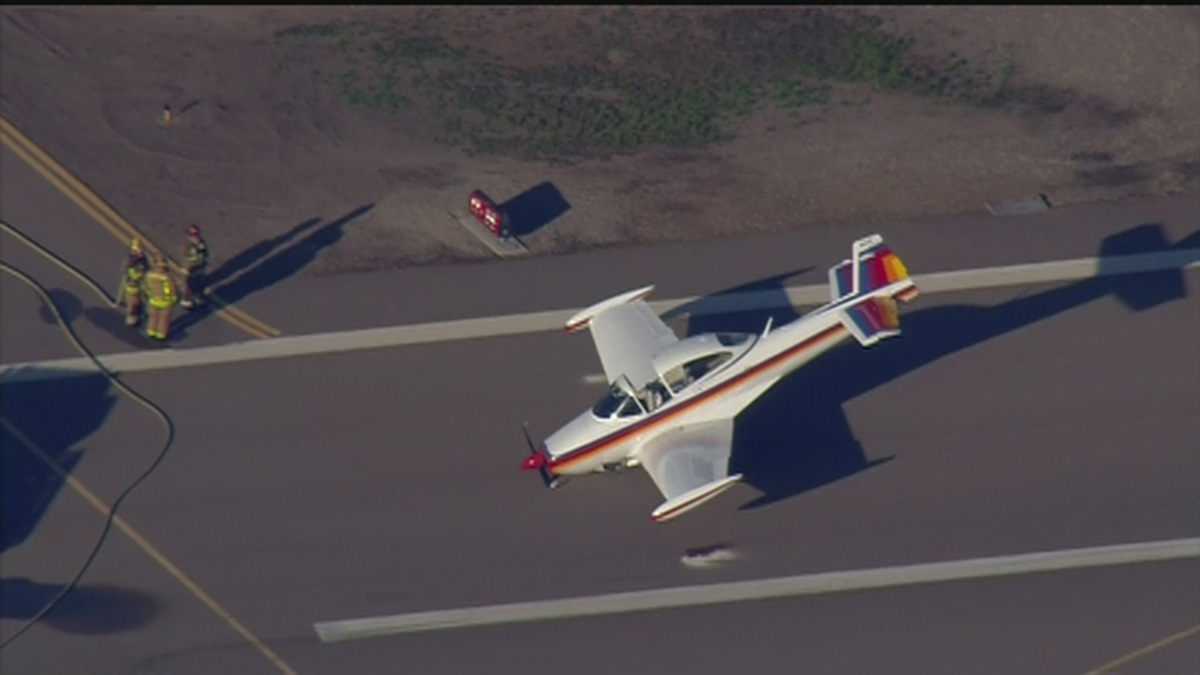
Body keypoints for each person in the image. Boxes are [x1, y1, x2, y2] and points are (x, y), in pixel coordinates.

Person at [143, 256, 177, 340]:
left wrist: (147, 295)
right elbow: (173, 289)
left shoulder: (150, 275)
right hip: (165, 302)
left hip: (153, 300)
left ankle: (151, 331)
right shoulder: (168, 276)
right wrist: (174, 298)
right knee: (164, 319)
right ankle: (161, 334)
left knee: (153, 317)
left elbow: (146, 287)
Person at [118, 238, 149, 327]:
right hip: (132, 285)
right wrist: (133, 275)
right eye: (138, 248)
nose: (140, 250)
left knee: (140, 301)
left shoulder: (143, 258)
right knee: (132, 303)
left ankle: (138, 313)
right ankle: (131, 318)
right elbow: (124, 270)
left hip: (140, 284)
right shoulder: (130, 260)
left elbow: (147, 267)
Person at [180, 224, 209, 309]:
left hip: (200, 267)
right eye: (193, 235)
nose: (195, 237)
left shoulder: (201, 242)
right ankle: (187, 302)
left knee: (200, 283)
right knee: (188, 286)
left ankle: (199, 298)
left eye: (196, 234)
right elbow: (185, 256)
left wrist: (205, 261)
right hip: (190, 268)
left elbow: (205, 252)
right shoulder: (186, 245)